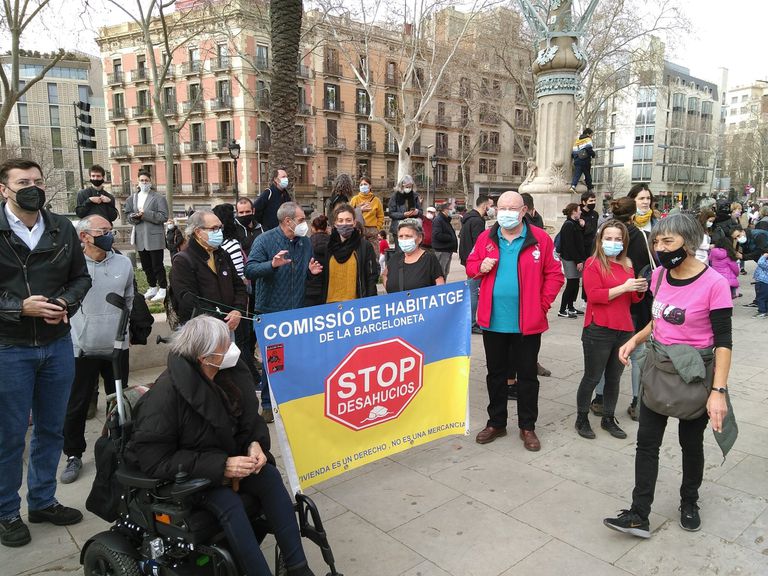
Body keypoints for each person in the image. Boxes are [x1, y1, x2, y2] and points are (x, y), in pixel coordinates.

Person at [126, 316, 316, 576]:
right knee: (229, 503)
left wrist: (255, 444)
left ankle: (298, 569)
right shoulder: (165, 396)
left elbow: (248, 420)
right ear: (204, 357)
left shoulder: (227, 374)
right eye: (225, 345)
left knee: (270, 477)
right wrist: (222, 466)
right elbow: (155, 459)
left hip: (228, 461)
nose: (231, 349)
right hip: (191, 477)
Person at [604, 214, 733, 539]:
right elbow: (659, 320)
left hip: (693, 376)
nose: (660, 248)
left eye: (668, 241)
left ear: (688, 242)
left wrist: (718, 391)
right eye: (657, 242)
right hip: (658, 370)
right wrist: (635, 339)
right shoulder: (659, 276)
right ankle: (639, 514)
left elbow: (723, 342)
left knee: (691, 444)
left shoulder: (715, 284)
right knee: (647, 444)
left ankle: (689, 502)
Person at [0, 158, 92, 548]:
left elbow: (81, 278)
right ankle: (6, 512)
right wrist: (19, 308)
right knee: (9, 436)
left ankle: (41, 501)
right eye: (23, 182)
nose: (33, 188)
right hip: (9, 346)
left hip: (56, 344)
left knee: (52, 428)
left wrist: (65, 303)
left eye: (37, 181)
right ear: (4, 189)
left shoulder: (61, 227)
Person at [467, 191, 564, 451]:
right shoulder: (486, 238)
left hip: (527, 322)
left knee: (528, 376)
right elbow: (471, 266)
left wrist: (542, 305)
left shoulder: (540, 239)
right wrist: (479, 267)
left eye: (512, 208)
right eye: (502, 208)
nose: (506, 213)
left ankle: (527, 426)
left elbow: (555, 275)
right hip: (493, 321)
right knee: (495, 375)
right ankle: (496, 422)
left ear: (523, 211)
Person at [60, 215, 133, 485]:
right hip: (81, 347)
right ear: (85, 236)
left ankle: (119, 447)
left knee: (119, 402)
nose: (110, 235)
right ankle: (73, 454)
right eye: (104, 231)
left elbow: (129, 299)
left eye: (111, 230)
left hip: (116, 346)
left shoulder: (124, 263)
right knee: (77, 404)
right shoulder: (70, 265)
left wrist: (124, 332)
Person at [245, 202, 323, 421]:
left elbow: (300, 274)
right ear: (288, 221)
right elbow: (249, 269)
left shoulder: (305, 242)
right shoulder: (265, 240)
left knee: (295, 361)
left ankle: (293, 403)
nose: (305, 223)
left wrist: (310, 273)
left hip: (296, 311)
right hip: (270, 312)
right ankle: (267, 405)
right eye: (301, 220)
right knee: (273, 362)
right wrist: (271, 264)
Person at [574, 220, 647, 440]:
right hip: (598, 328)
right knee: (593, 377)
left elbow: (632, 299)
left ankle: (608, 418)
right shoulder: (593, 263)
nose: (613, 242)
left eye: (617, 239)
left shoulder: (627, 264)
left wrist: (639, 289)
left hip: (624, 328)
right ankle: (582, 418)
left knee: (614, 378)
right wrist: (624, 287)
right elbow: (594, 295)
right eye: (608, 238)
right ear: (600, 240)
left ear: (624, 242)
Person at [318, 204, 378, 303]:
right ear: (335, 223)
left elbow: (371, 278)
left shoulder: (365, 246)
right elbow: (320, 278)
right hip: (329, 306)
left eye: (348, 220)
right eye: (340, 220)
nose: (344, 224)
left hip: (356, 305)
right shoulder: (327, 247)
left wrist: (371, 303)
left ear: (354, 222)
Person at [124, 170, 168, 302]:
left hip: (154, 236)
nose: (144, 183)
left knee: (157, 264)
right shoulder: (132, 198)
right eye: (142, 180)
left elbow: (164, 216)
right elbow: (128, 215)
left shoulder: (159, 198)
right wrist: (134, 217)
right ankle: (152, 287)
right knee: (146, 265)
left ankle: (163, 288)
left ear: (151, 182)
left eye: (146, 180)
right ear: (137, 182)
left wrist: (145, 214)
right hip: (140, 236)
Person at [459, 194, 494, 334]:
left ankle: (470, 321)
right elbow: (479, 244)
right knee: (473, 292)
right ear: (485, 206)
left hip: (467, 259)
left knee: (472, 291)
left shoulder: (468, 218)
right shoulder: (477, 221)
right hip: (475, 262)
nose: (492, 209)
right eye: (491, 206)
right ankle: (472, 323)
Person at [382, 219, 444, 293]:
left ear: (419, 238)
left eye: (408, 236)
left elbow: (440, 286)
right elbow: (384, 274)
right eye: (401, 236)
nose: (404, 239)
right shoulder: (395, 258)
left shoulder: (429, 259)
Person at [558, 202, 586, 318]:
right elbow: (570, 245)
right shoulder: (568, 225)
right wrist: (578, 261)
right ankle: (562, 309)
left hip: (575, 258)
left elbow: (579, 240)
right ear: (574, 211)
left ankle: (570, 307)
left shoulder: (575, 223)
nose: (580, 211)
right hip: (570, 259)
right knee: (571, 284)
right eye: (579, 210)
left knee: (575, 283)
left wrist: (582, 226)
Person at [348, 176, 384, 258]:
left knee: (374, 254)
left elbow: (380, 216)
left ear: (370, 186)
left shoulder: (376, 200)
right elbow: (349, 213)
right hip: (359, 229)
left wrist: (377, 228)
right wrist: (359, 209)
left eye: (365, 184)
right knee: (360, 253)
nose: (363, 186)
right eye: (361, 185)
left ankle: (374, 265)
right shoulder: (355, 199)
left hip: (372, 230)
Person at [304, 215, 331, 307]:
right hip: (329, 287)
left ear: (313, 228)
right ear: (326, 228)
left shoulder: (306, 244)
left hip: (311, 289)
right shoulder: (334, 243)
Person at [709, 227, 742, 298]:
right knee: (728, 298)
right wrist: (736, 274)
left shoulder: (713, 253)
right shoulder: (729, 256)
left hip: (716, 279)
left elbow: (710, 261)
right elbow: (735, 268)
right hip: (728, 280)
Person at [432, 201, 458, 278]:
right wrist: (451, 237)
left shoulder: (445, 220)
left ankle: (443, 284)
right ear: (445, 210)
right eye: (450, 209)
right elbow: (437, 235)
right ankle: (440, 285)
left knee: (445, 272)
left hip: (447, 250)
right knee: (440, 272)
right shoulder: (439, 220)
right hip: (442, 250)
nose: (452, 211)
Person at [570, 127, 596, 192]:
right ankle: (590, 189)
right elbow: (589, 149)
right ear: (588, 134)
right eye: (591, 135)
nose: (591, 136)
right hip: (585, 160)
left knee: (577, 174)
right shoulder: (588, 139)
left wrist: (576, 158)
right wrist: (593, 154)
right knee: (587, 174)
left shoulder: (577, 141)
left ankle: (573, 186)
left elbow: (573, 152)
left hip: (577, 160)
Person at [752, 252, 768, 318]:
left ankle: (762, 312)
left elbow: (760, 263)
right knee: (765, 298)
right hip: (764, 282)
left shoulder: (765, 262)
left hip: (762, 282)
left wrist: (764, 256)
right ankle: (766, 311)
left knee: (760, 298)